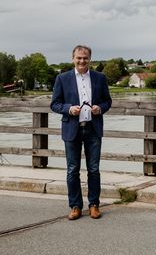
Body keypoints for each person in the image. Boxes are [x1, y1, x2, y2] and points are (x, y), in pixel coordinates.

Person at [50, 45, 112, 220]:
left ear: (90, 59)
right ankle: (75, 206)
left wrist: (100, 108)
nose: (82, 61)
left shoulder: (100, 78)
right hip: (72, 129)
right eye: (79, 58)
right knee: (72, 169)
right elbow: (54, 104)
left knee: (93, 169)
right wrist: (69, 109)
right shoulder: (62, 78)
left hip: (93, 128)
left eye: (85, 58)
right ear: (73, 58)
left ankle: (94, 205)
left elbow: (108, 101)